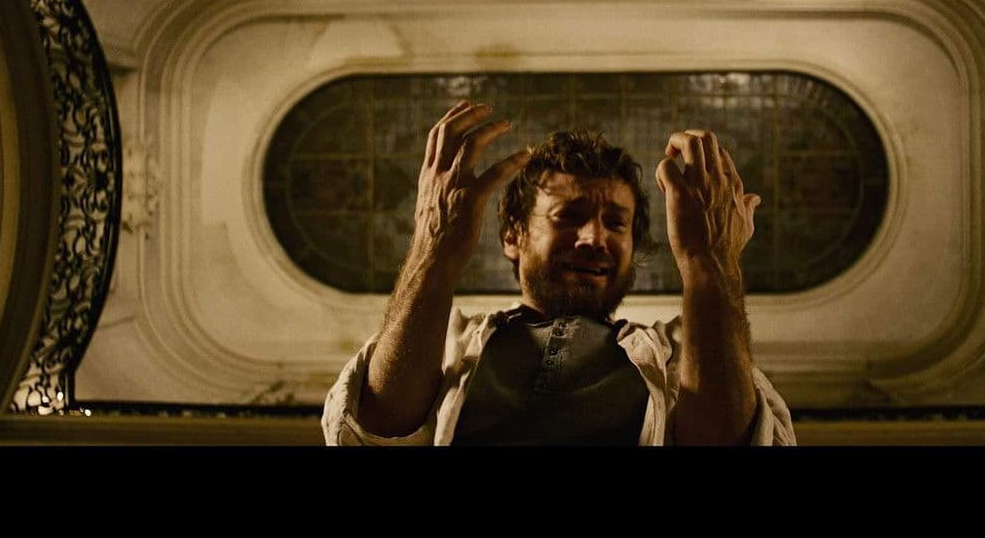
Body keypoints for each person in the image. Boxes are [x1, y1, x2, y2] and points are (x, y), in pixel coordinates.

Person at [322, 100, 795, 445]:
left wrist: (709, 264)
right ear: (513, 235)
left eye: (616, 223)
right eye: (568, 216)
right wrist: (435, 245)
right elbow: (369, 432)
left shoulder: (678, 356)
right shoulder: (446, 343)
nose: (593, 237)